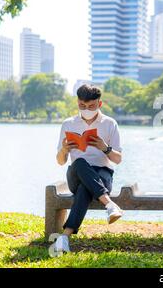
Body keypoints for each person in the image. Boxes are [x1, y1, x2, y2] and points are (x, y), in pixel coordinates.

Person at [49, 84, 124, 256]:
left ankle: (64, 238)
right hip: (77, 172)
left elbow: (118, 159)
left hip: (102, 174)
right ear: (77, 103)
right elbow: (61, 162)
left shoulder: (110, 123)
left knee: (85, 189)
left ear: (100, 104)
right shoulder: (68, 124)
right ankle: (110, 205)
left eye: (91, 106)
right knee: (81, 162)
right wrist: (64, 150)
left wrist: (104, 148)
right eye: (82, 105)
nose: (86, 109)